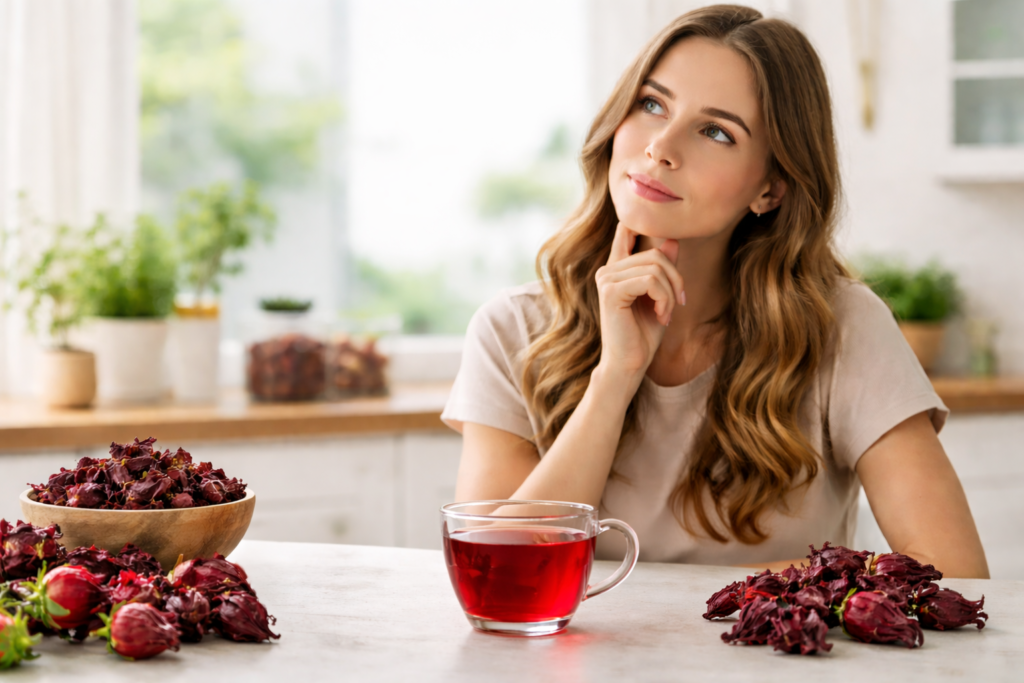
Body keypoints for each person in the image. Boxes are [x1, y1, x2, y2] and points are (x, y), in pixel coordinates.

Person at [441, 4, 989, 577]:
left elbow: (954, 569)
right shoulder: (512, 329)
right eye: (652, 104)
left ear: (771, 188)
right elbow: (498, 577)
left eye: (715, 132)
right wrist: (615, 378)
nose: (660, 147)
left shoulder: (842, 327)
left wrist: (708, 603)